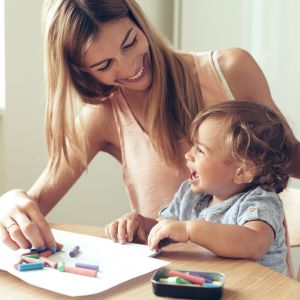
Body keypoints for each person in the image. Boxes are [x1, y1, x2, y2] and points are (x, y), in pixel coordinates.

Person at [0, 0, 299, 253]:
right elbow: (34, 205)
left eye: (129, 42)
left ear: (139, 21)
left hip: (258, 286)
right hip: (173, 284)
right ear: (81, 71)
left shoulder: (229, 70)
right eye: (105, 66)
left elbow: (291, 159)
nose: (129, 67)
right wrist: (10, 201)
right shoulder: (103, 115)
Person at [105, 101, 292, 273]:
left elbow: (254, 243)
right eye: (192, 146)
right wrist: (141, 225)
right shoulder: (190, 194)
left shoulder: (260, 202)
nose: (188, 155)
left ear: (242, 171)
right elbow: (167, 229)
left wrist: (190, 230)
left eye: (200, 150)